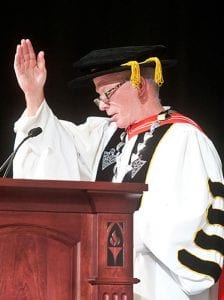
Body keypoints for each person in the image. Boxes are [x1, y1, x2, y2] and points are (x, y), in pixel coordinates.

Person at [13, 38, 224, 300]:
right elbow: (55, 149)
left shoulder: (184, 140)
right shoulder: (108, 136)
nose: (102, 105)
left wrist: (114, 229)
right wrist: (34, 97)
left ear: (139, 85)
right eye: (98, 96)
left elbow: (184, 227)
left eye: (108, 93)